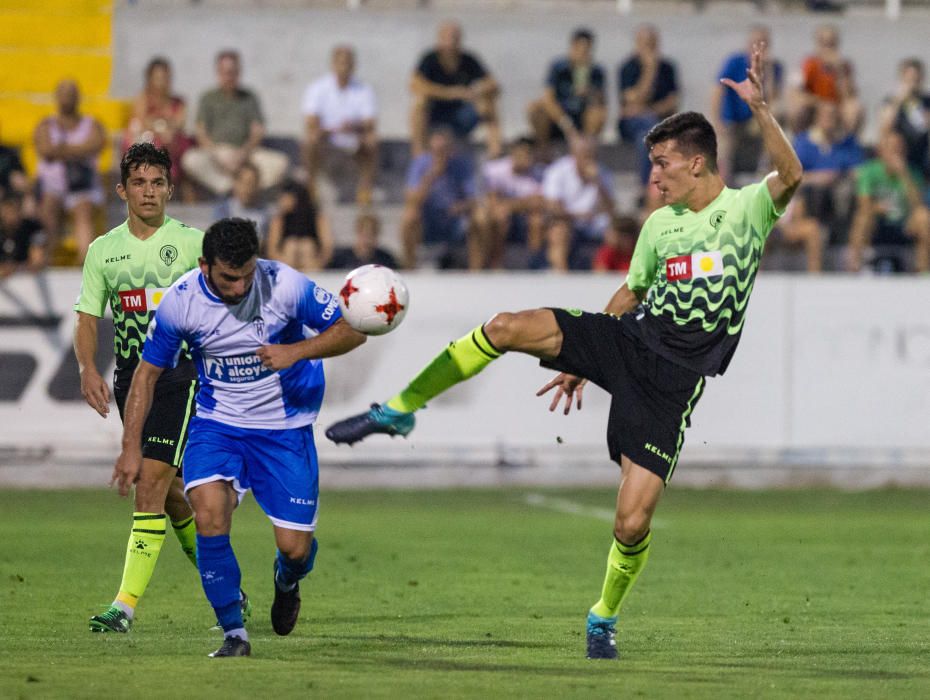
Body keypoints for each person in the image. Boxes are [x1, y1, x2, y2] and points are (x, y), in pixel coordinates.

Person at [326, 47, 801, 660]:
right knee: (506, 326)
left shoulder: (746, 210)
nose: (653, 178)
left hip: (672, 382)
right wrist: (586, 357)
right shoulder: (661, 225)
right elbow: (633, 290)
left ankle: (602, 616)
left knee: (631, 524)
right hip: (628, 340)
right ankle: (401, 407)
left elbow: (790, 176)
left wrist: (761, 110)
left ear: (698, 162)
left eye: (662, 166)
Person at [110, 217, 367, 658]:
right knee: (209, 514)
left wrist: (296, 351)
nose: (240, 287)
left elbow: (353, 328)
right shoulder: (182, 302)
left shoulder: (283, 284)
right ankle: (234, 633)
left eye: (248, 275)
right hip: (218, 424)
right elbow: (147, 374)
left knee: (295, 549)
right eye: (230, 278)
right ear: (204, 265)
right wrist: (131, 447)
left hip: (284, 429)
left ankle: (287, 579)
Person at [73, 143, 242, 634]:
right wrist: (88, 367)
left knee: (148, 480)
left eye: (157, 182)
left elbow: (232, 299)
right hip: (133, 381)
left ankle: (123, 606)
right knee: (171, 495)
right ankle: (231, 594)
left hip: (183, 376)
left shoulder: (193, 245)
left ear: (171, 188)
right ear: (123, 190)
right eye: (139, 183)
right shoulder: (103, 251)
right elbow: (87, 318)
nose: (149, 191)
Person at [182, 50, 289, 197]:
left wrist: (244, 152)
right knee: (191, 160)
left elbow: (258, 131)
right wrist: (217, 153)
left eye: (233, 72)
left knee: (280, 164)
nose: (229, 77)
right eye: (225, 72)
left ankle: (248, 188)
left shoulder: (249, 97)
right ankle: (230, 188)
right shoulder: (208, 98)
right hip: (217, 153)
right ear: (218, 72)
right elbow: (201, 132)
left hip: (246, 153)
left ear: (239, 72)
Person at [34, 79, 106, 262]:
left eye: (71, 94)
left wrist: (61, 149)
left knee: (83, 208)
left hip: (83, 186)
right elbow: (44, 149)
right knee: (49, 206)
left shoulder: (92, 124)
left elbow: (96, 144)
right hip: (53, 187)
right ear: (57, 97)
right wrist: (78, 150)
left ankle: (85, 263)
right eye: (64, 94)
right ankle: (45, 261)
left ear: (78, 97)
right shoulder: (45, 125)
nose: (67, 98)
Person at [410, 21, 502, 158]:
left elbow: (493, 85)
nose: (451, 42)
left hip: (461, 115)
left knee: (488, 103)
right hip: (435, 113)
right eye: (447, 37)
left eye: (454, 37)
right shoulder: (429, 60)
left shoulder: (468, 60)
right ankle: (419, 154)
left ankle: (495, 152)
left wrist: (476, 91)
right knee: (419, 103)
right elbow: (414, 85)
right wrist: (450, 93)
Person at [302, 45, 378, 205]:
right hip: (327, 140)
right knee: (310, 139)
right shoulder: (318, 88)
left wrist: (352, 127)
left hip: (353, 139)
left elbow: (370, 122)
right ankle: (311, 185)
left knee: (371, 140)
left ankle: (365, 188)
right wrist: (335, 129)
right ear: (333, 64)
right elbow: (310, 121)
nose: (344, 66)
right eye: (341, 62)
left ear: (353, 65)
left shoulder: (364, 89)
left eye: (348, 62)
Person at [847, 130, 930, 273]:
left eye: (899, 148)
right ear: (881, 151)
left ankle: (923, 270)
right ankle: (854, 268)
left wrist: (905, 175)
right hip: (877, 224)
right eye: (892, 148)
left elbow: (918, 205)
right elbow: (864, 204)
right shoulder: (869, 171)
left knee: (923, 217)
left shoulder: (912, 173)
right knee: (863, 217)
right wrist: (878, 208)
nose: (896, 153)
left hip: (903, 224)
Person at [710, 26, 784, 180]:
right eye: (755, 43)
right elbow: (718, 90)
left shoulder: (775, 67)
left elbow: (771, 100)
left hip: (756, 120)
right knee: (725, 148)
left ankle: (765, 173)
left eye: (763, 44)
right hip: (733, 120)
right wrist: (716, 120)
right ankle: (724, 180)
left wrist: (767, 71)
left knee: (777, 119)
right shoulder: (734, 62)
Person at [400, 128, 478, 269]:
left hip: (455, 218)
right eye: (436, 151)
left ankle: (476, 270)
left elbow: (473, 200)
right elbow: (412, 200)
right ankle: (409, 267)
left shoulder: (462, 166)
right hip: (428, 219)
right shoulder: (420, 164)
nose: (440, 154)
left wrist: (459, 207)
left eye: (444, 150)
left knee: (480, 218)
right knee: (409, 217)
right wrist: (432, 176)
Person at [539, 136, 615, 271]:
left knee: (618, 235)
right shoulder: (557, 171)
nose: (589, 160)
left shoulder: (603, 174)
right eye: (585, 155)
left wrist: (598, 183)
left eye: (592, 155)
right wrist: (577, 216)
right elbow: (553, 207)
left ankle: (603, 279)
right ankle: (562, 277)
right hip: (567, 222)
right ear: (575, 155)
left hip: (594, 225)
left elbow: (611, 209)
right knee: (559, 231)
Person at [617, 25, 679, 186]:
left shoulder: (667, 68)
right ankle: (647, 186)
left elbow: (672, 102)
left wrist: (647, 111)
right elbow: (632, 100)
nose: (650, 48)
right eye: (646, 44)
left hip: (660, 121)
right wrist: (649, 70)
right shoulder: (627, 68)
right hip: (633, 125)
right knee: (645, 138)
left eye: (652, 44)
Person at [527, 28, 607, 150]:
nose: (583, 54)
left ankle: (586, 149)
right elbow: (548, 99)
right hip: (560, 119)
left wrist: (589, 91)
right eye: (581, 49)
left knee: (598, 112)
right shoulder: (558, 67)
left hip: (582, 117)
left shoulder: (596, 71)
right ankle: (542, 148)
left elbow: (601, 102)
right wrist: (566, 125)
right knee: (536, 108)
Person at [473, 136, 545, 270]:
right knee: (490, 217)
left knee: (537, 219)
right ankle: (490, 264)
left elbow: (538, 202)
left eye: (529, 154)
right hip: (499, 216)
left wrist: (510, 205)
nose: (526, 158)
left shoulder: (538, 173)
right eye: (522, 154)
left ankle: (534, 265)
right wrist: (519, 204)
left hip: (524, 218)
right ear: (513, 153)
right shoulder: (495, 169)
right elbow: (492, 201)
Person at [122, 57, 193, 188]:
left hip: (171, 144)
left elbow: (179, 123)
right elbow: (142, 121)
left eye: (166, 78)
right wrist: (161, 128)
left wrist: (164, 128)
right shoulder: (143, 99)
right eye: (158, 78)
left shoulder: (178, 102)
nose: (163, 83)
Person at [789, 24, 863, 135]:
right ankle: (799, 144)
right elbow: (794, 94)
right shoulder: (807, 64)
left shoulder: (845, 67)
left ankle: (849, 146)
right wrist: (819, 103)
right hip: (814, 107)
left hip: (836, 107)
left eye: (831, 44)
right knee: (796, 109)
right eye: (824, 43)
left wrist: (840, 72)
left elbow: (849, 96)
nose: (828, 48)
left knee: (854, 109)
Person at [878, 58, 930, 179]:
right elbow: (885, 128)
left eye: (916, 79)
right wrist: (900, 100)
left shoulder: (926, 102)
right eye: (909, 79)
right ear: (902, 78)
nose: (913, 83)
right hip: (899, 155)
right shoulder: (891, 101)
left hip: (921, 154)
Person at [266, 180, 333, 271]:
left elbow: (327, 248)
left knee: (307, 246)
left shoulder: (316, 218)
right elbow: (272, 250)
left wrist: (318, 263)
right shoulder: (279, 220)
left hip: (311, 262)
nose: (281, 200)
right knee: (291, 246)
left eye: (284, 197)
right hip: (287, 263)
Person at [213, 162, 271, 248]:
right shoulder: (223, 211)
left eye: (251, 183)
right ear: (235, 183)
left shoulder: (265, 214)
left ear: (257, 186)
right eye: (243, 182)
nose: (247, 188)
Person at [327, 212, 398, 270]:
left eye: (371, 234)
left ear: (377, 235)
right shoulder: (340, 259)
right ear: (357, 232)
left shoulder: (386, 260)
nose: (367, 240)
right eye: (364, 234)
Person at [0, 191, 46, 277]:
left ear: (20, 211)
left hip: (25, 278)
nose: (9, 216)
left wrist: (15, 268)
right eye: (6, 212)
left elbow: (37, 261)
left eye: (13, 211)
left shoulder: (33, 228)